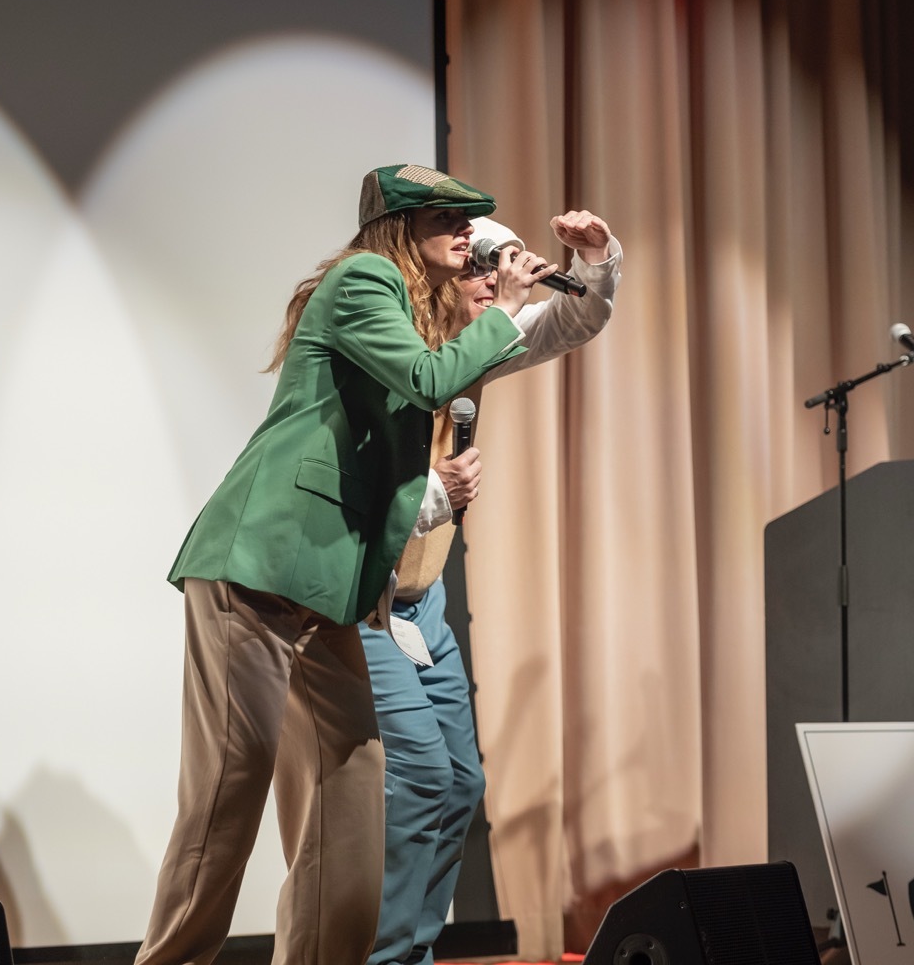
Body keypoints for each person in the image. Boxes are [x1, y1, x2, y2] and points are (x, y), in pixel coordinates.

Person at [133, 164, 553, 965]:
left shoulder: (414, 313)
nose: (466, 231)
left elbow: (438, 375)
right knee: (228, 793)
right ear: (399, 227)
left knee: (352, 796)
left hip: (329, 587)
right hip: (257, 567)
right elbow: (429, 380)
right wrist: (509, 307)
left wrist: (561, 288)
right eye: (446, 218)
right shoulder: (363, 279)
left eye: (468, 220)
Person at [360, 210, 622, 965]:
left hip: (424, 606)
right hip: (366, 601)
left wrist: (596, 260)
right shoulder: (396, 349)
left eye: (504, 264)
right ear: (441, 273)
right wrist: (435, 492)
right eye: (483, 266)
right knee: (420, 779)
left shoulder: (480, 341)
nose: (499, 281)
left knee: (461, 785)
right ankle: (382, 958)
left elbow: (572, 321)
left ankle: (411, 953)